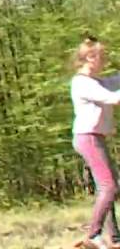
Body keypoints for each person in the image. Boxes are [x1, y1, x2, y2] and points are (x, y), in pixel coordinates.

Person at [72, 36, 120, 249]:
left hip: (96, 138)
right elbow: (113, 97)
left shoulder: (97, 81)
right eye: (102, 57)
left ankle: (115, 238)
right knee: (108, 187)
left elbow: (115, 80)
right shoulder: (81, 83)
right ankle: (93, 234)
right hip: (88, 138)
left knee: (111, 187)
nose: (105, 61)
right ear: (90, 58)